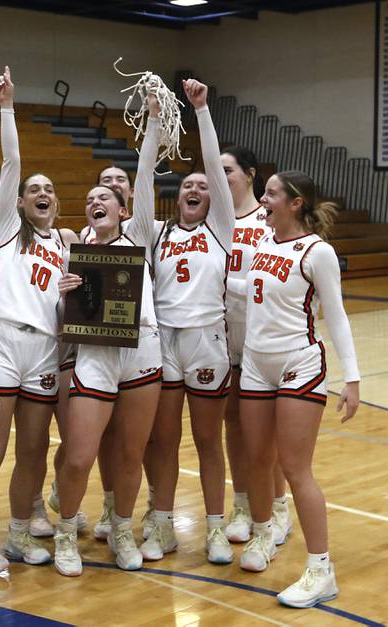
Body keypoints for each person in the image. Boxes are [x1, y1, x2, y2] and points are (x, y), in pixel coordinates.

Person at [0, 67, 76, 575]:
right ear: (23, 202)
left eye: (49, 188)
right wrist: (7, 106)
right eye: (34, 189)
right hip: (3, 341)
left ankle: (17, 533)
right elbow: (11, 161)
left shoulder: (66, 247)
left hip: (46, 350)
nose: (42, 192)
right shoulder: (8, 229)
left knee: (32, 449)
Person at [235, 171, 359, 608]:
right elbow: (244, 289)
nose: (262, 200)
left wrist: (353, 377)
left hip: (299, 364)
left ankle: (321, 568)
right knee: (256, 459)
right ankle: (266, 532)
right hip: (255, 363)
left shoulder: (317, 251)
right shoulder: (263, 244)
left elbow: (338, 316)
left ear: (295, 203)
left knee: (294, 467)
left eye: (270, 193)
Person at [53, 92, 162, 576]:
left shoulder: (138, 235)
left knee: (130, 454)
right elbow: (66, 317)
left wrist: (154, 122)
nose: (97, 201)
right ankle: (65, 532)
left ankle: (121, 528)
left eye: (107, 198)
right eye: (91, 198)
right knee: (78, 456)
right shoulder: (77, 249)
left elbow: (143, 178)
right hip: (95, 355)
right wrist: (66, 294)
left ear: (125, 209)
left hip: (142, 352)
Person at [143, 79, 236, 565]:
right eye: (188, 186)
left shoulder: (221, 230)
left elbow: (218, 177)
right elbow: (139, 191)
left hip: (207, 341)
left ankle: (216, 530)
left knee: (206, 439)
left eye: (203, 185)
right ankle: (161, 522)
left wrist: (200, 111)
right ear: (177, 198)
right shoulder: (158, 234)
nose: (197, 189)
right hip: (164, 341)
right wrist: (156, 121)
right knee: (164, 439)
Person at [220, 146, 292, 547]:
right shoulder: (214, 222)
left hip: (262, 336)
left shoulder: (266, 224)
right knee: (233, 422)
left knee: (266, 433)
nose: (221, 175)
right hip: (223, 334)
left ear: (250, 175)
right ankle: (243, 503)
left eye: (227, 169)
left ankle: (278, 506)